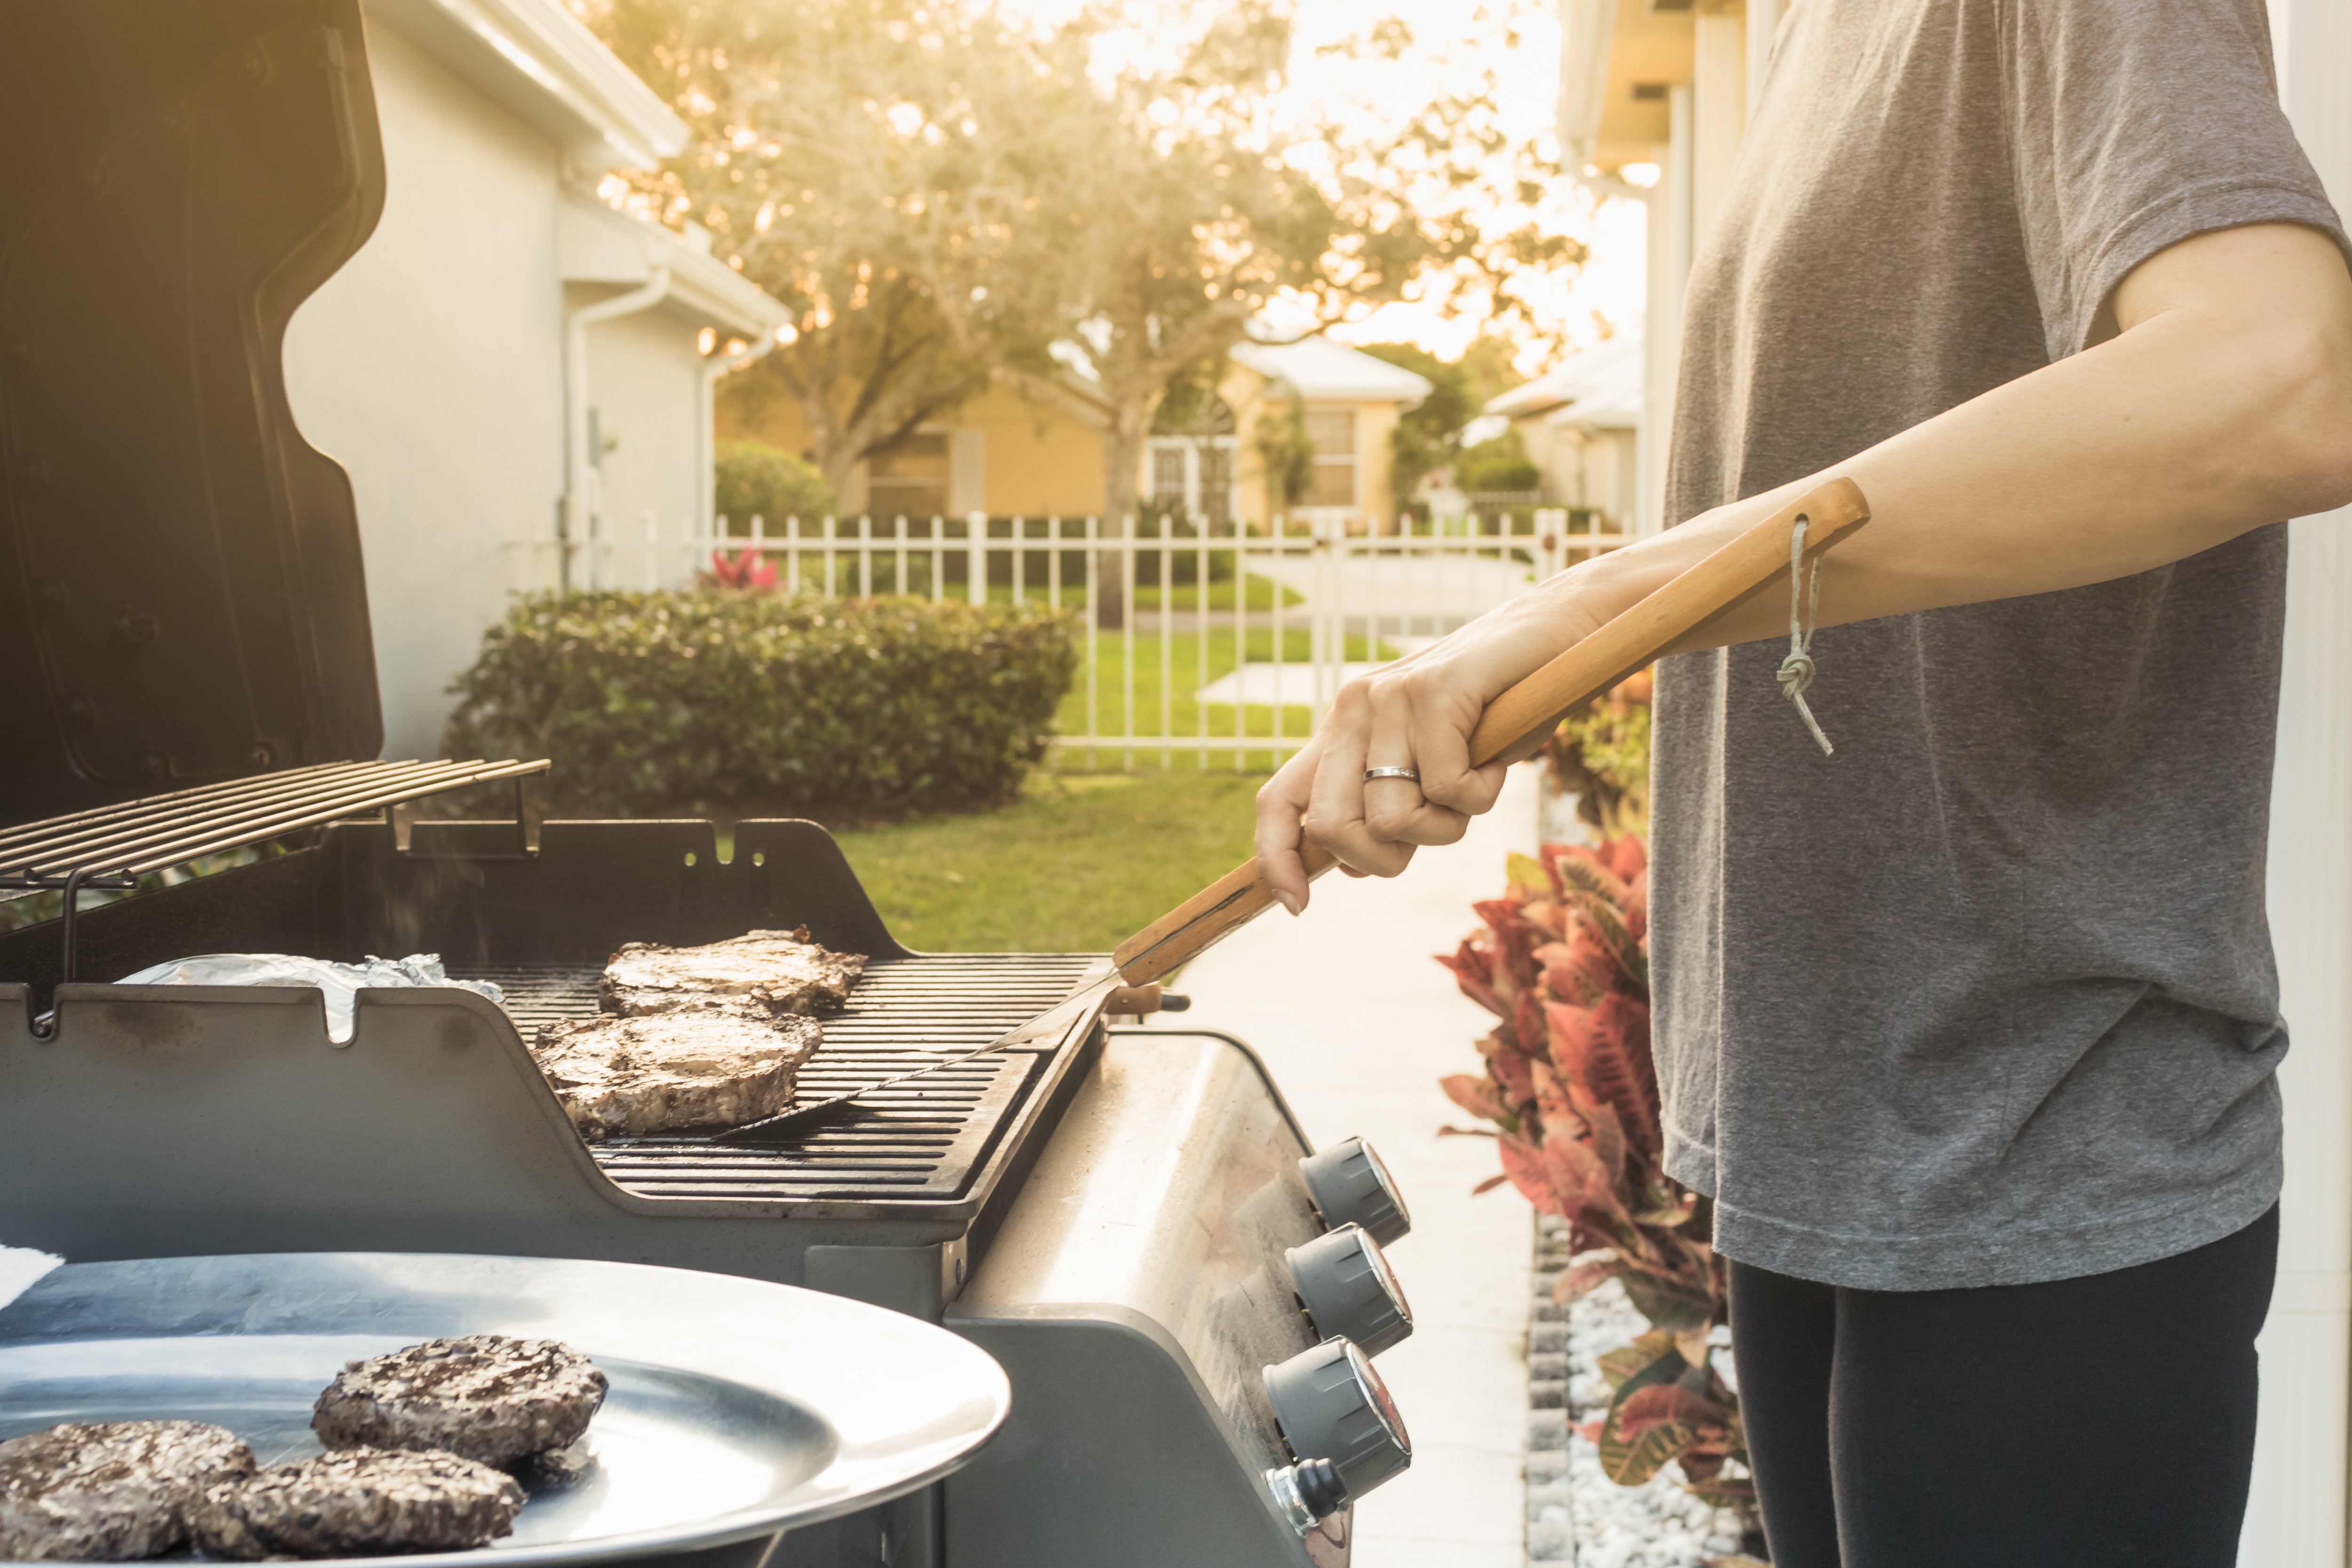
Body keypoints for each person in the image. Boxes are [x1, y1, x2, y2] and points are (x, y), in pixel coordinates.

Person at [1251, 0, 2352, 1562]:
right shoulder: (1814, 33)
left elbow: (2278, 377)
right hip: (1820, 1128)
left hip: (2029, 1140)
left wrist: (1573, 608)